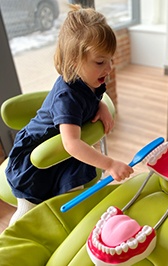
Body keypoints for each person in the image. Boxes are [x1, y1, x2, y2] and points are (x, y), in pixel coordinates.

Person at [6, 4, 133, 225]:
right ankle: (12, 239)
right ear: (75, 61)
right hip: (33, 159)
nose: (109, 68)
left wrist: (100, 106)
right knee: (28, 212)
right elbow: (72, 144)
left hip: (62, 154)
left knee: (73, 196)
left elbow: (94, 97)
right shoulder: (68, 97)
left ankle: (68, 224)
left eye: (111, 60)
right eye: (101, 62)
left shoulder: (90, 79)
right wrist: (110, 164)